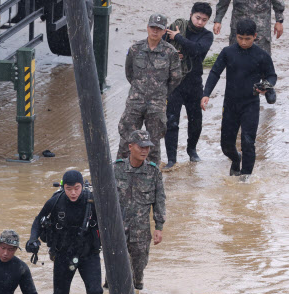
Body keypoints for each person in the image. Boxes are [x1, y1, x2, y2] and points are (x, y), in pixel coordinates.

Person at [201, 18, 277, 177]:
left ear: (255, 36)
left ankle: (245, 176)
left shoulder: (261, 55)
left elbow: (272, 75)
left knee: (248, 142)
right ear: (236, 35)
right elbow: (215, 72)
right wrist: (206, 93)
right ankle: (236, 160)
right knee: (226, 146)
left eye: (247, 39)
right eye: (240, 38)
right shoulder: (227, 52)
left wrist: (266, 87)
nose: (243, 42)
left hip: (250, 104)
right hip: (230, 104)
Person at [25, 170, 105, 294]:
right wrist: (33, 239)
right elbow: (38, 220)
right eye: (69, 189)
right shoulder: (55, 202)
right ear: (63, 187)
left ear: (82, 186)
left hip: (89, 254)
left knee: (95, 293)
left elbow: (109, 223)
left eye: (76, 188)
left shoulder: (93, 202)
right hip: (63, 254)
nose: (73, 193)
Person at [117, 13, 182, 165]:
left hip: (156, 104)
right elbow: (129, 73)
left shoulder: (170, 52)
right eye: (152, 27)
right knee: (127, 139)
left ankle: (152, 177)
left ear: (164, 31)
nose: (155, 31)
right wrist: (139, 89)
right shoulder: (135, 49)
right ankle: (119, 172)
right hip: (135, 101)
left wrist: (161, 92)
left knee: (153, 142)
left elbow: (176, 78)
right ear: (147, 28)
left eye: (158, 29)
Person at [163, 2, 214, 169]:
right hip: (175, 83)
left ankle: (192, 150)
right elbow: (161, 46)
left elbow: (197, 51)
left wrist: (178, 38)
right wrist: (172, 54)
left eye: (204, 20)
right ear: (191, 14)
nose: (199, 22)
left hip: (194, 83)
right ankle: (172, 158)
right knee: (172, 121)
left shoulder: (207, 36)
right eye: (197, 18)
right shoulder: (177, 26)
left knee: (196, 120)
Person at [114, 130, 166, 290]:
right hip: (117, 231)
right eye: (141, 147)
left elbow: (160, 200)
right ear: (130, 147)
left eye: (147, 147)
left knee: (137, 278)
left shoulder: (153, 172)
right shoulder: (116, 169)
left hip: (141, 234)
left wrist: (159, 227)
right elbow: (104, 199)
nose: (145, 151)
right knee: (114, 274)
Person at [213, 0, 284, 54]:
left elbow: (278, 2)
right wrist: (218, 20)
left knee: (261, 61)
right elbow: (223, 2)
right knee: (235, 59)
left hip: (261, 28)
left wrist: (279, 21)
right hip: (239, 27)